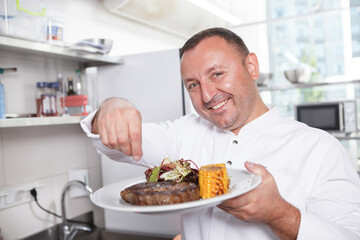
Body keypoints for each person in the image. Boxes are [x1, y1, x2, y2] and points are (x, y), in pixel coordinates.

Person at [80, 27, 360, 240]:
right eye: (192, 84)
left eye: (216, 74)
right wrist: (111, 107)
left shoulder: (320, 148)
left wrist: (279, 214)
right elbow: (118, 143)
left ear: (251, 66)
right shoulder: (183, 133)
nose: (207, 95)